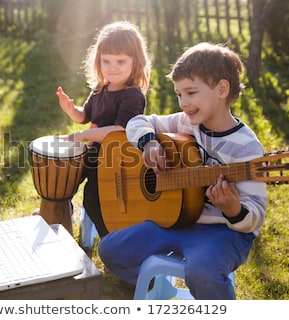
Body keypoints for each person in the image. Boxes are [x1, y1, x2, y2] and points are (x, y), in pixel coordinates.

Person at [98, 42, 267, 299]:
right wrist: (149, 141)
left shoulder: (246, 147)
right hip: (173, 220)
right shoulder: (185, 122)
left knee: (201, 272)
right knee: (110, 249)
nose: (183, 102)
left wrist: (233, 209)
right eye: (179, 94)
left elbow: (256, 214)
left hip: (222, 232)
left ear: (222, 89)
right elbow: (137, 121)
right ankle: (157, 288)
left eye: (190, 92)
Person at [56, 21, 151, 239]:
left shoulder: (132, 95)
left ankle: (112, 241)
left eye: (120, 61)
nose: (112, 67)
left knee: (92, 199)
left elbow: (119, 131)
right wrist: (71, 110)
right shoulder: (101, 88)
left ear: (135, 62)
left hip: (116, 161)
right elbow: (85, 116)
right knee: (64, 178)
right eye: (106, 61)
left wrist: (81, 136)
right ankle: (60, 215)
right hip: (94, 155)